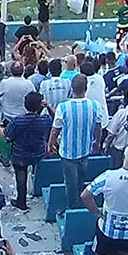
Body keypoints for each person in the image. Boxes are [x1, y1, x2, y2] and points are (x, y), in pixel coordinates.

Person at [49, 75, 106, 206]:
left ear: (72, 88)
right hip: (85, 150)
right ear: (86, 89)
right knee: (81, 179)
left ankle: (72, 206)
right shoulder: (95, 105)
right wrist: (97, 142)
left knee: (70, 183)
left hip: (68, 153)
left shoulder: (63, 107)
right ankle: (81, 201)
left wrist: (50, 144)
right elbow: (98, 127)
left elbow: (55, 130)